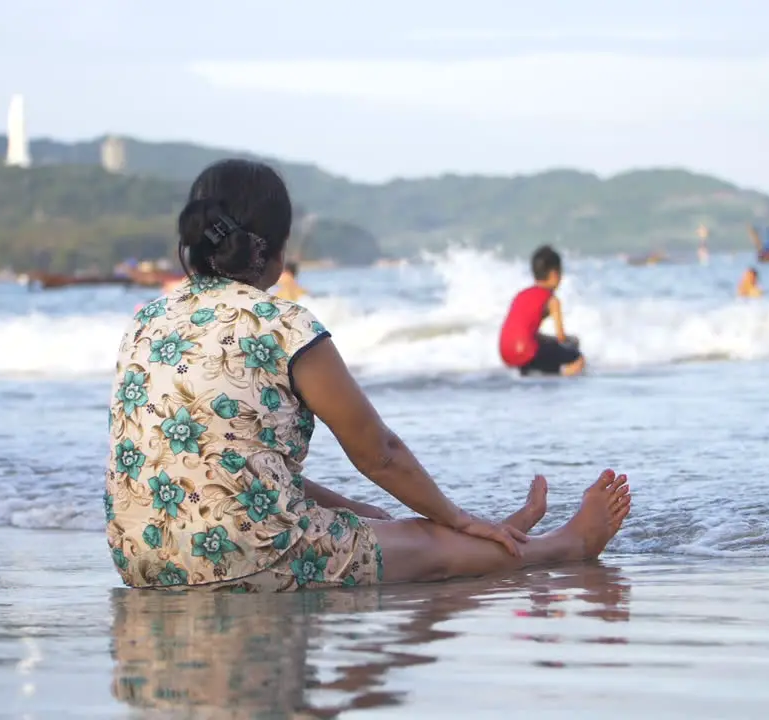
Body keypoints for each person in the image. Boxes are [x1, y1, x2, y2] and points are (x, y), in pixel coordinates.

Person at [105, 160, 631, 592]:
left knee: (384, 521)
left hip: (141, 560)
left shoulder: (145, 322)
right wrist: (455, 519)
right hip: (243, 560)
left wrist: (373, 514)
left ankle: (485, 537)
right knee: (431, 547)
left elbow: (227, 463)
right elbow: (379, 453)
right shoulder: (286, 325)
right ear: (277, 251)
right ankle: (566, 546)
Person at [498, 246, 587, 377]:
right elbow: (561, 337)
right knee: (578, 358)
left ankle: (532, 372)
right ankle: (560, 378)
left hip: (506, 352)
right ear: (554, 274)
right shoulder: (552, 300)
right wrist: (573, 342)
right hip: (526, 352)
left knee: (542, 344)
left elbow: (523, 329)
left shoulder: (521, 294)